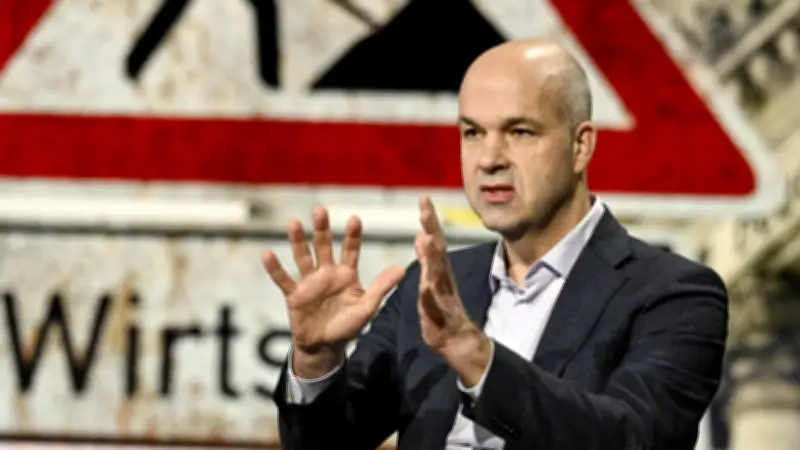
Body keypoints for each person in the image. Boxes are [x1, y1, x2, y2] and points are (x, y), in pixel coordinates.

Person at [262, 39, 728, 450]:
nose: (488, 159)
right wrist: (316, 360)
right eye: (472, 133)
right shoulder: (431, 289)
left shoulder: (674, 294)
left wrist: (479, 360)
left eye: (520, 132)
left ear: (580, 146)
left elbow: (635, 438)